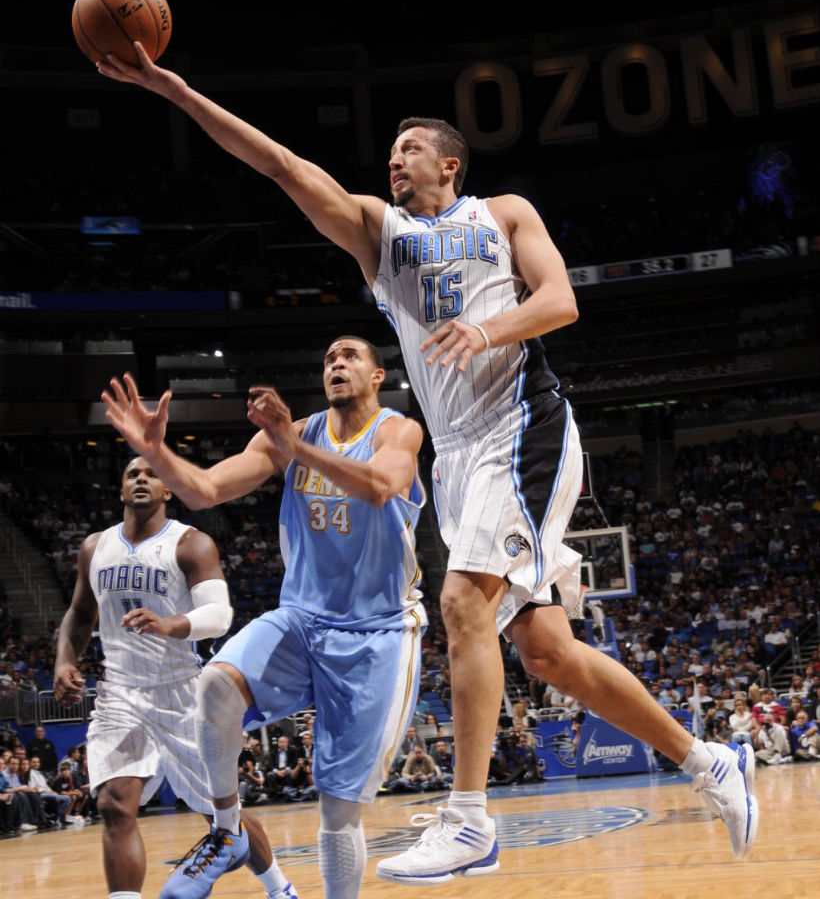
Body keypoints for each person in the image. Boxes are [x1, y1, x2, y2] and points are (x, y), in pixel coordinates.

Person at [96, 46, 758, 876]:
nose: (393, 161)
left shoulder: (504, 214)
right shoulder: (382, 234)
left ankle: (470, 817)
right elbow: (278, 164)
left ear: (449, 162)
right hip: (461, 459)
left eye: (409, 150)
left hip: (523, 426)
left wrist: (486, 328)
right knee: (547, 651)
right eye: (390, 154)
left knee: (459, 602)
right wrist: (172, 87)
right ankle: (709, 762)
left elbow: (561, 300)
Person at [101, 336, 426, 899]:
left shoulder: (398, 430)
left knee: (338, 811)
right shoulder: (288, 436)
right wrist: (157, 453)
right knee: (215, 687)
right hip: (302, 620)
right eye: (327, 359)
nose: (336, 364)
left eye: (349, 356)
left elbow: (378, 487)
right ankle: (227, 830)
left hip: (378, 634)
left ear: (377, 377)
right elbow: (203, 491)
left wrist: (293, 445)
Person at [53, 456, 292, 899]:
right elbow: (79, 615)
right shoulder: (94, 548)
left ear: (167, 491)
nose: (142, 478)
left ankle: (280, 889)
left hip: (182, 693)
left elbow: (219, 616)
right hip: (120, 694)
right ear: (121, 491)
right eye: (131, 474)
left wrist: (172, 623)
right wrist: (64, 660)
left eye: (151, 473)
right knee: (113, 804)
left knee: (222, 815)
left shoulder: (191, 543)